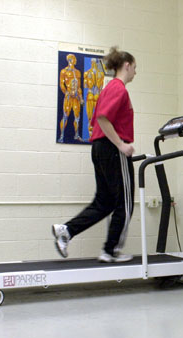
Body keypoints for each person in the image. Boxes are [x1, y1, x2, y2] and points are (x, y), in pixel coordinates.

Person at [52, 46, 137, 263]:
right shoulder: (118, 89)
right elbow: (102, 118)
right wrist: (121, 145)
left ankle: (67, 231)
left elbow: (98, 120)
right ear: (126, 65)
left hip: (99, 148)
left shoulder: (107, 89)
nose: (136, 73)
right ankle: (110, 251)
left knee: (104, 202)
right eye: (135, 68)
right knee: (125, 204)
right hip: (112, 149)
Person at [59, 53, 84, 142]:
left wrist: (81, 98)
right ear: (70, 60)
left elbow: (79, 86)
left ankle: (76, 135)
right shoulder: (64, 71)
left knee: (77, 117)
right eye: (74, 59)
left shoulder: (77, 72)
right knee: (65, 116)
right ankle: (61, 135)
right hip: (69, 96)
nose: (76, 60)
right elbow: (61, 84)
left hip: (76, 97)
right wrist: (66, 92)